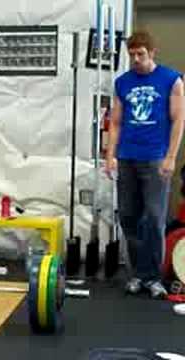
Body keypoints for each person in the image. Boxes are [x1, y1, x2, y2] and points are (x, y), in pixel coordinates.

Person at [105, 31, 185, 298]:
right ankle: (138, 274)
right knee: (128, 217)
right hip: (127, 157)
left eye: (140, 54)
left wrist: (171, 156)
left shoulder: (171, 79)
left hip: (155, 159)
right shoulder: (122, 83)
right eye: (131, 55)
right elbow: (115, 122)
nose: (136, 60)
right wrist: (109, 156)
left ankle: (153, 278)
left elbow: (178, 120)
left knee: (153, 218)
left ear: (152, 53)